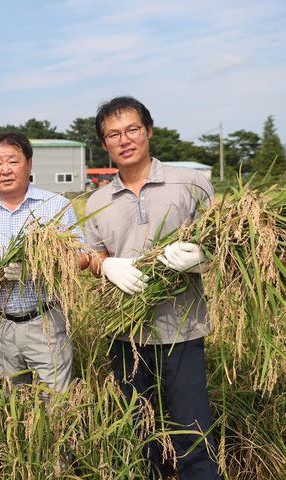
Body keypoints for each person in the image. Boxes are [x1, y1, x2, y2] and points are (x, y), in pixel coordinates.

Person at [84, 96, 220, 479]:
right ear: (105, 144)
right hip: (124, 332)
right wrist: (107, 265)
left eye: (132, 130)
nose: (124, 139)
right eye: (113, 134)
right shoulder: (98, 199)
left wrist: (201, 256)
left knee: (193, 428)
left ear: (148, 131)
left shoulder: (189, 182)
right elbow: (92, 256)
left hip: (182, 327)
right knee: (138, 431)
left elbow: (221, 241)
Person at [0, 132, 88, 396]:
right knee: (11, 403)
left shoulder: (56, 206)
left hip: (46, 321)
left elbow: (83, 256)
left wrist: (41, 266)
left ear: (29, 164)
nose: (5, 169)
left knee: (56, 403)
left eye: (12, 161)